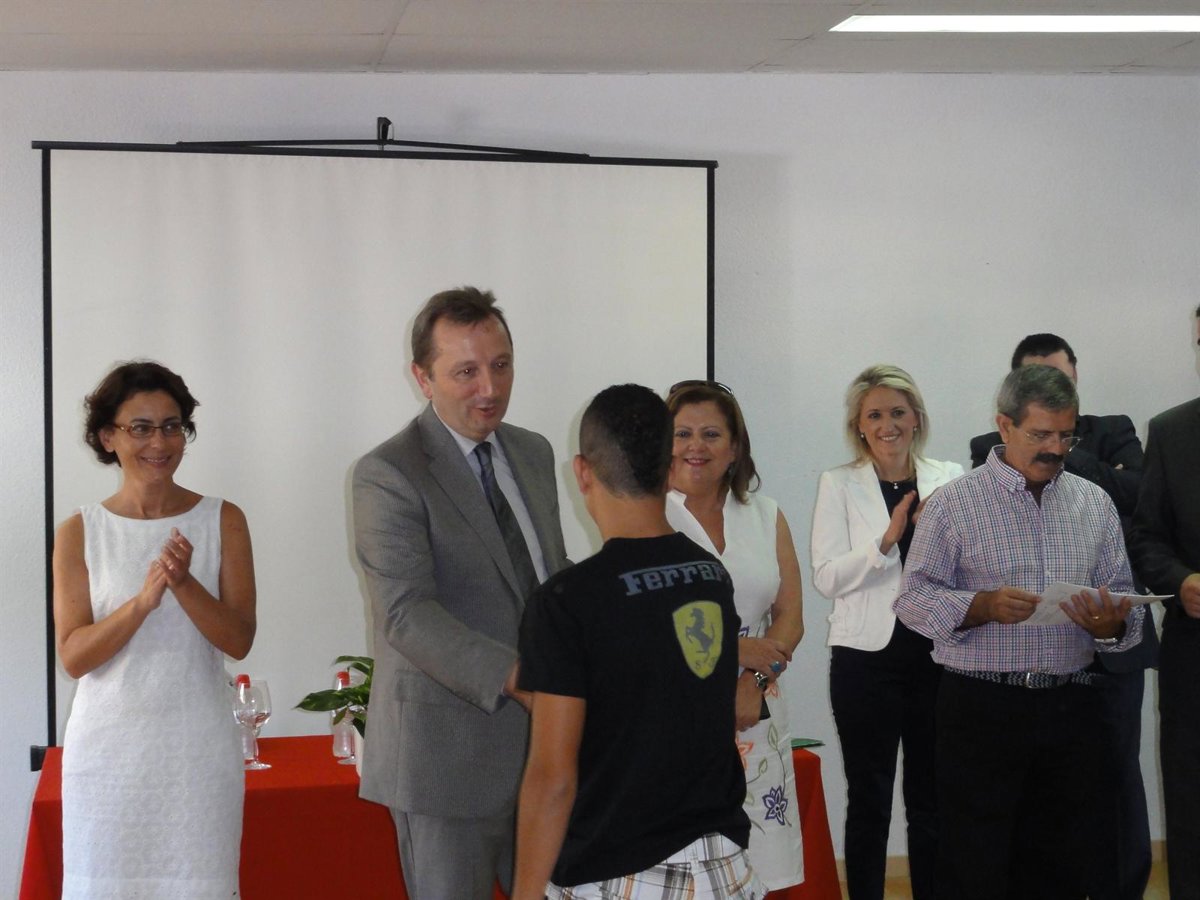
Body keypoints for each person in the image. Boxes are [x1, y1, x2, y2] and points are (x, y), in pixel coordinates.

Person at [352, 286, 570, 900]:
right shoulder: (388, 472)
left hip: (547, 756)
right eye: (466, 372)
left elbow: (547, 573)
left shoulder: (532, 451)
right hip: (445, 763)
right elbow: (405, 613)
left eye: (501, 365)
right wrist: (520, 678)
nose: (490, 388)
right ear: (423, 378)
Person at [895, 364, 1142, 900]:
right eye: (1041, 434)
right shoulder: (954, 504)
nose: (1056, 448)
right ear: (1004, 425)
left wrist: (1113, 625)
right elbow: (912, 599)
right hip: (980, 709)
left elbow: (1127, 600)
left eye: (1066, 435)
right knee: (974, 866)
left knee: (1062, 866)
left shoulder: (1094, 503)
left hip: (1071, 708)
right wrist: (979, 606)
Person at [513, 384, 761, 900]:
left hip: (621, 874)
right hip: (725, 870)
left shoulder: (566, 600)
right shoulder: (709, 575)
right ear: (669, 469)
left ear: (582, 472)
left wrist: (526, 893)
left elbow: (553, 778)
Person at [53, 360, 256, 898]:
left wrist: (184, 584)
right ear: (108, 437)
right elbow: (74, 656)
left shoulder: (223, 519)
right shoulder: (79, 531)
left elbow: (238, 640)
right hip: (107, 758)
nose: (159, 443)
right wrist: (142, 604)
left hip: (196, 754)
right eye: (140, 428)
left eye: (171, 426)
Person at [968, 332, 1155, 900]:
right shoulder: (985, 447)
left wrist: (1064, 451)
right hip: (1031, 657)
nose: (1051, 392)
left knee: (1119, 775)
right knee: (1042, 801)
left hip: (1112, 641)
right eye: (1037, 384)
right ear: (1009, 412)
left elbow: (1140, 494)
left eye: (1061, 380)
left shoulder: (1114, 429)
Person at [810, 364, 962, 900]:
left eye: (898, 412)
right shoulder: (838, 483)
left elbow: (969, 567)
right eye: (874, 415)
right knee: (869, 801)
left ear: (916, 418)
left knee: (931, 800)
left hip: (937, 657)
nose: (887, 424)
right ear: (859, 425)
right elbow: (827, 577)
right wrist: (886, 540)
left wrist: (934, 538)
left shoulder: (950, 476)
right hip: (865, 661)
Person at [663, 380, 805, 891]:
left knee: (760, 867)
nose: (695, 446)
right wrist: (735, 652)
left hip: (756, 707)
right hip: (674, 710)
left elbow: (791, 616)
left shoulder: (765, 514)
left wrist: (753, 681)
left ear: (735, 448)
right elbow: (640, 623)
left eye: (711, 434)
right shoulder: (647, 515)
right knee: (683, 867)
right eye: (681, 433)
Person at [1129, 306, 1200, 900]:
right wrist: (1181, 581)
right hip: (1194, 656)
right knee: (1191, 800)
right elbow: (1146, 537)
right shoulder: (1172, 431)